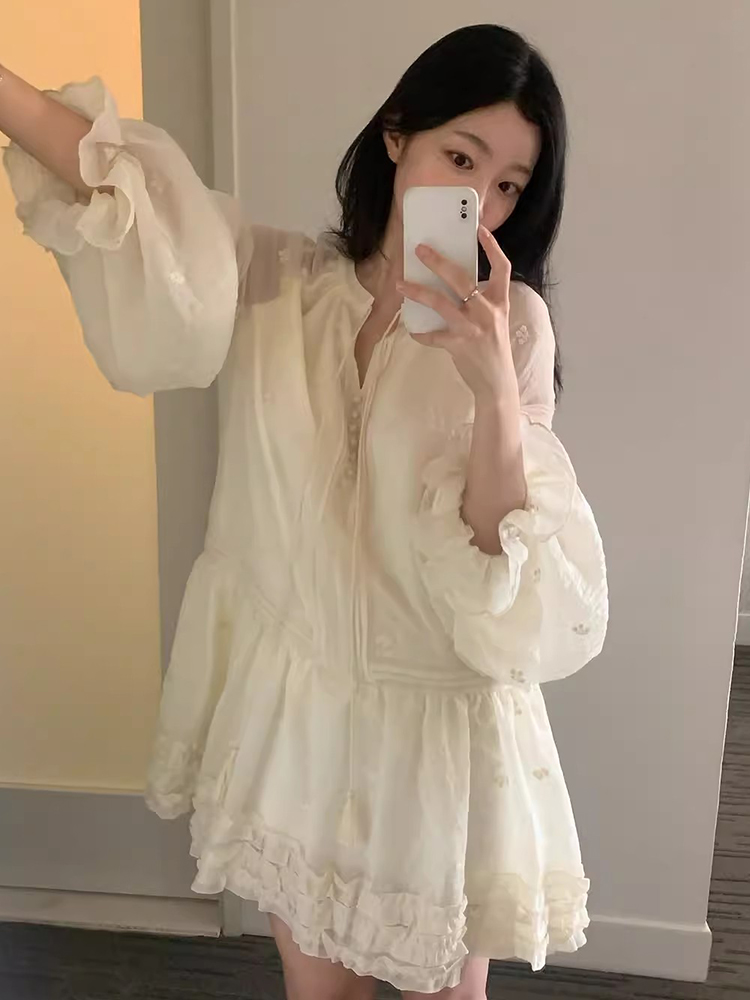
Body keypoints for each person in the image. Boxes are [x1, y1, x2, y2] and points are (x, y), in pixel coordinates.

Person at [1, 22, 608, 1000]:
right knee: (320, 992)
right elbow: (121, 187)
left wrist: (495, 389)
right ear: (396, 134)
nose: (482, 199)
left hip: (435, 737)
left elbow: (501, 566)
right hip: (303, 719)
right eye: (461, 159)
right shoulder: (273, 280)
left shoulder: (516, 328)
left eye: (508, 184)